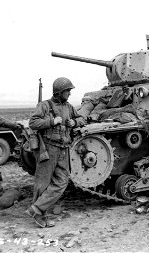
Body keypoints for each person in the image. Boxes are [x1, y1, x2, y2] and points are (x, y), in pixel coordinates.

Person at [25, 77, 86, 228]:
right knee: (43, 182)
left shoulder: (69, 107)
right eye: (67, 91)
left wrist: (75, 122)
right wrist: (51, 122)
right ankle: (40, 214)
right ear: (59, 92)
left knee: (62, 181)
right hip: (48, 148)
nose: (70, 94)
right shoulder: (44, 105)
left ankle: (36, 209)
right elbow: (32, 122)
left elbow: (82, 119)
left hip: (64, 149)